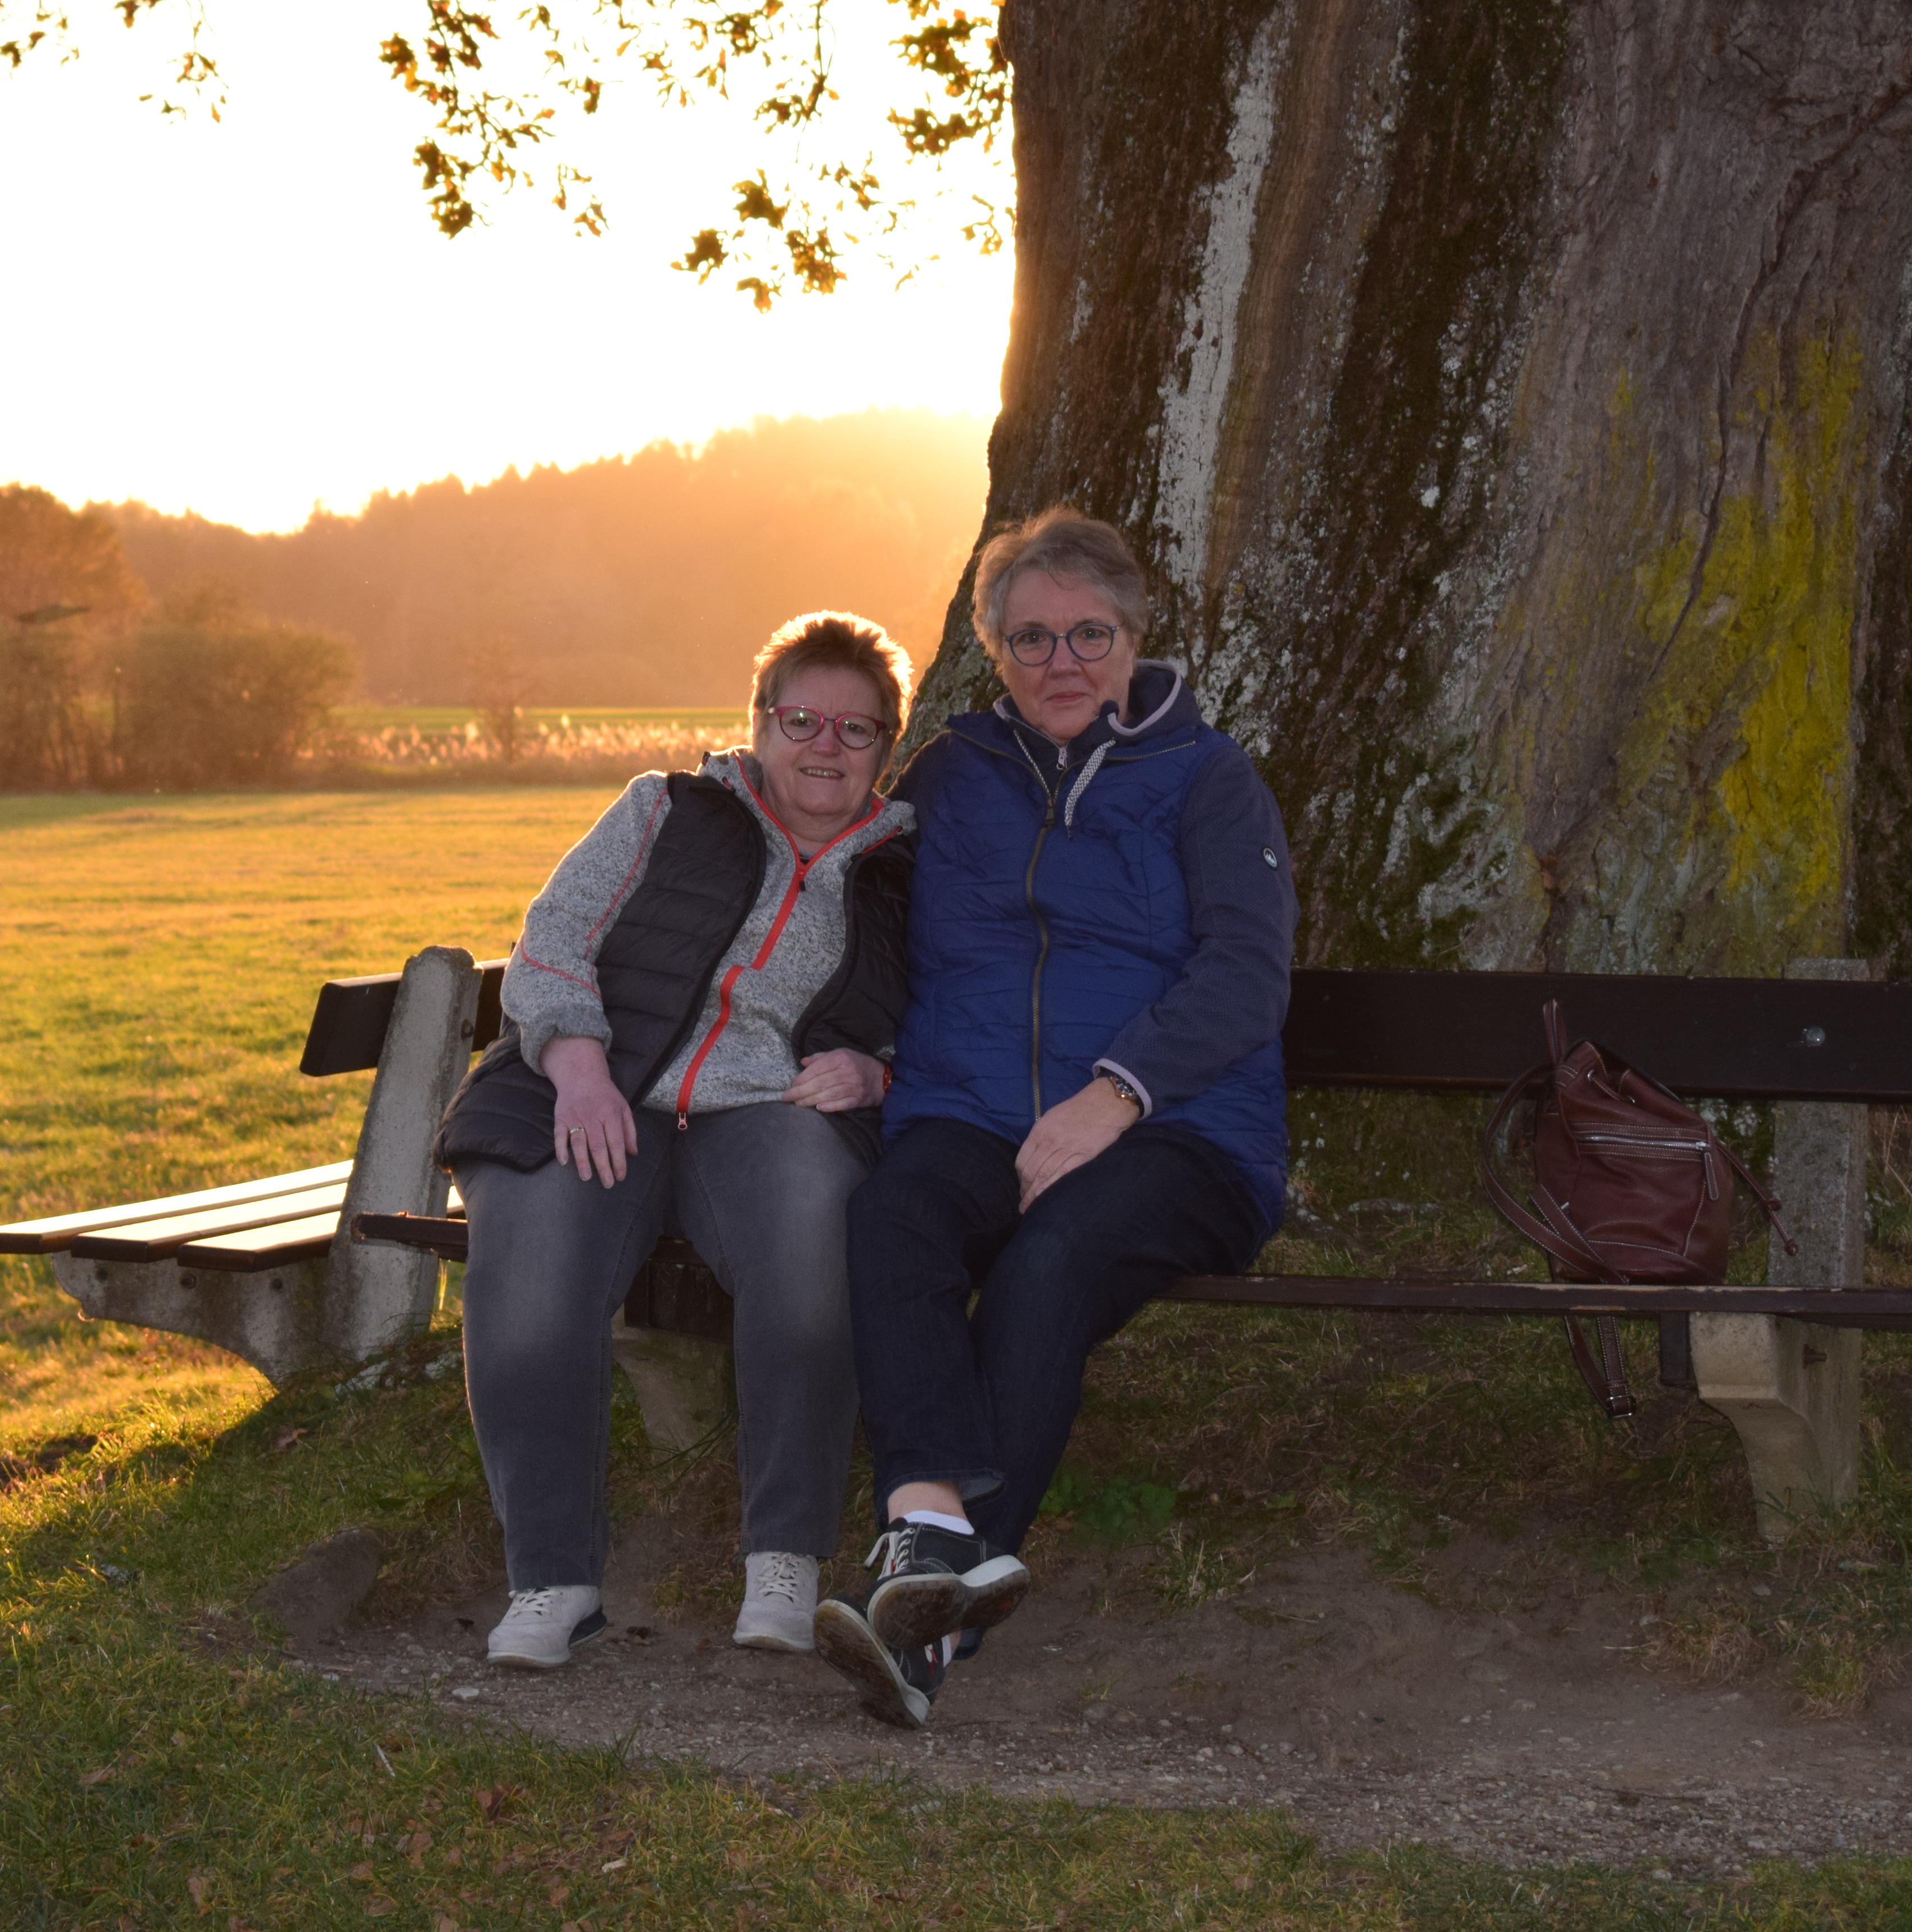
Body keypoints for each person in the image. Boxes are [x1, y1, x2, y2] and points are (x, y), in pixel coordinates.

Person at [813, 509, 1295, 1728]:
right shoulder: (951, 775)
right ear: (995, 649)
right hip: (971, 1114)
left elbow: (1247, 972)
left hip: (1181, 1134)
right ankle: (929, 1534)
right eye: (1031, 637)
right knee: (895, 1216)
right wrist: (867, 1052)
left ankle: (932, 1618)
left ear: (1134, 637)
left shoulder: (1207, 777)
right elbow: (856, 912)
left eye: (1090, 633)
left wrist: (1114, 1094)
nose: (1062, 660)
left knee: (1054, 1255)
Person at [434, 611, 917, 1670]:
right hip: (595, 1085)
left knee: (814, 1243)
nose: (826, 746)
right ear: (760, 722)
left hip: (770, 1109)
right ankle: (553, 1579)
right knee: (534, 1278)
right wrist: (578, 1069)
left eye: (857, 729)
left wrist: (881, 1071)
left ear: (887, 747)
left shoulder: (905, 870)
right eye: (802, 720)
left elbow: (952, 1014)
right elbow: (552, 942)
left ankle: (784, 1559)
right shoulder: (663, 809)